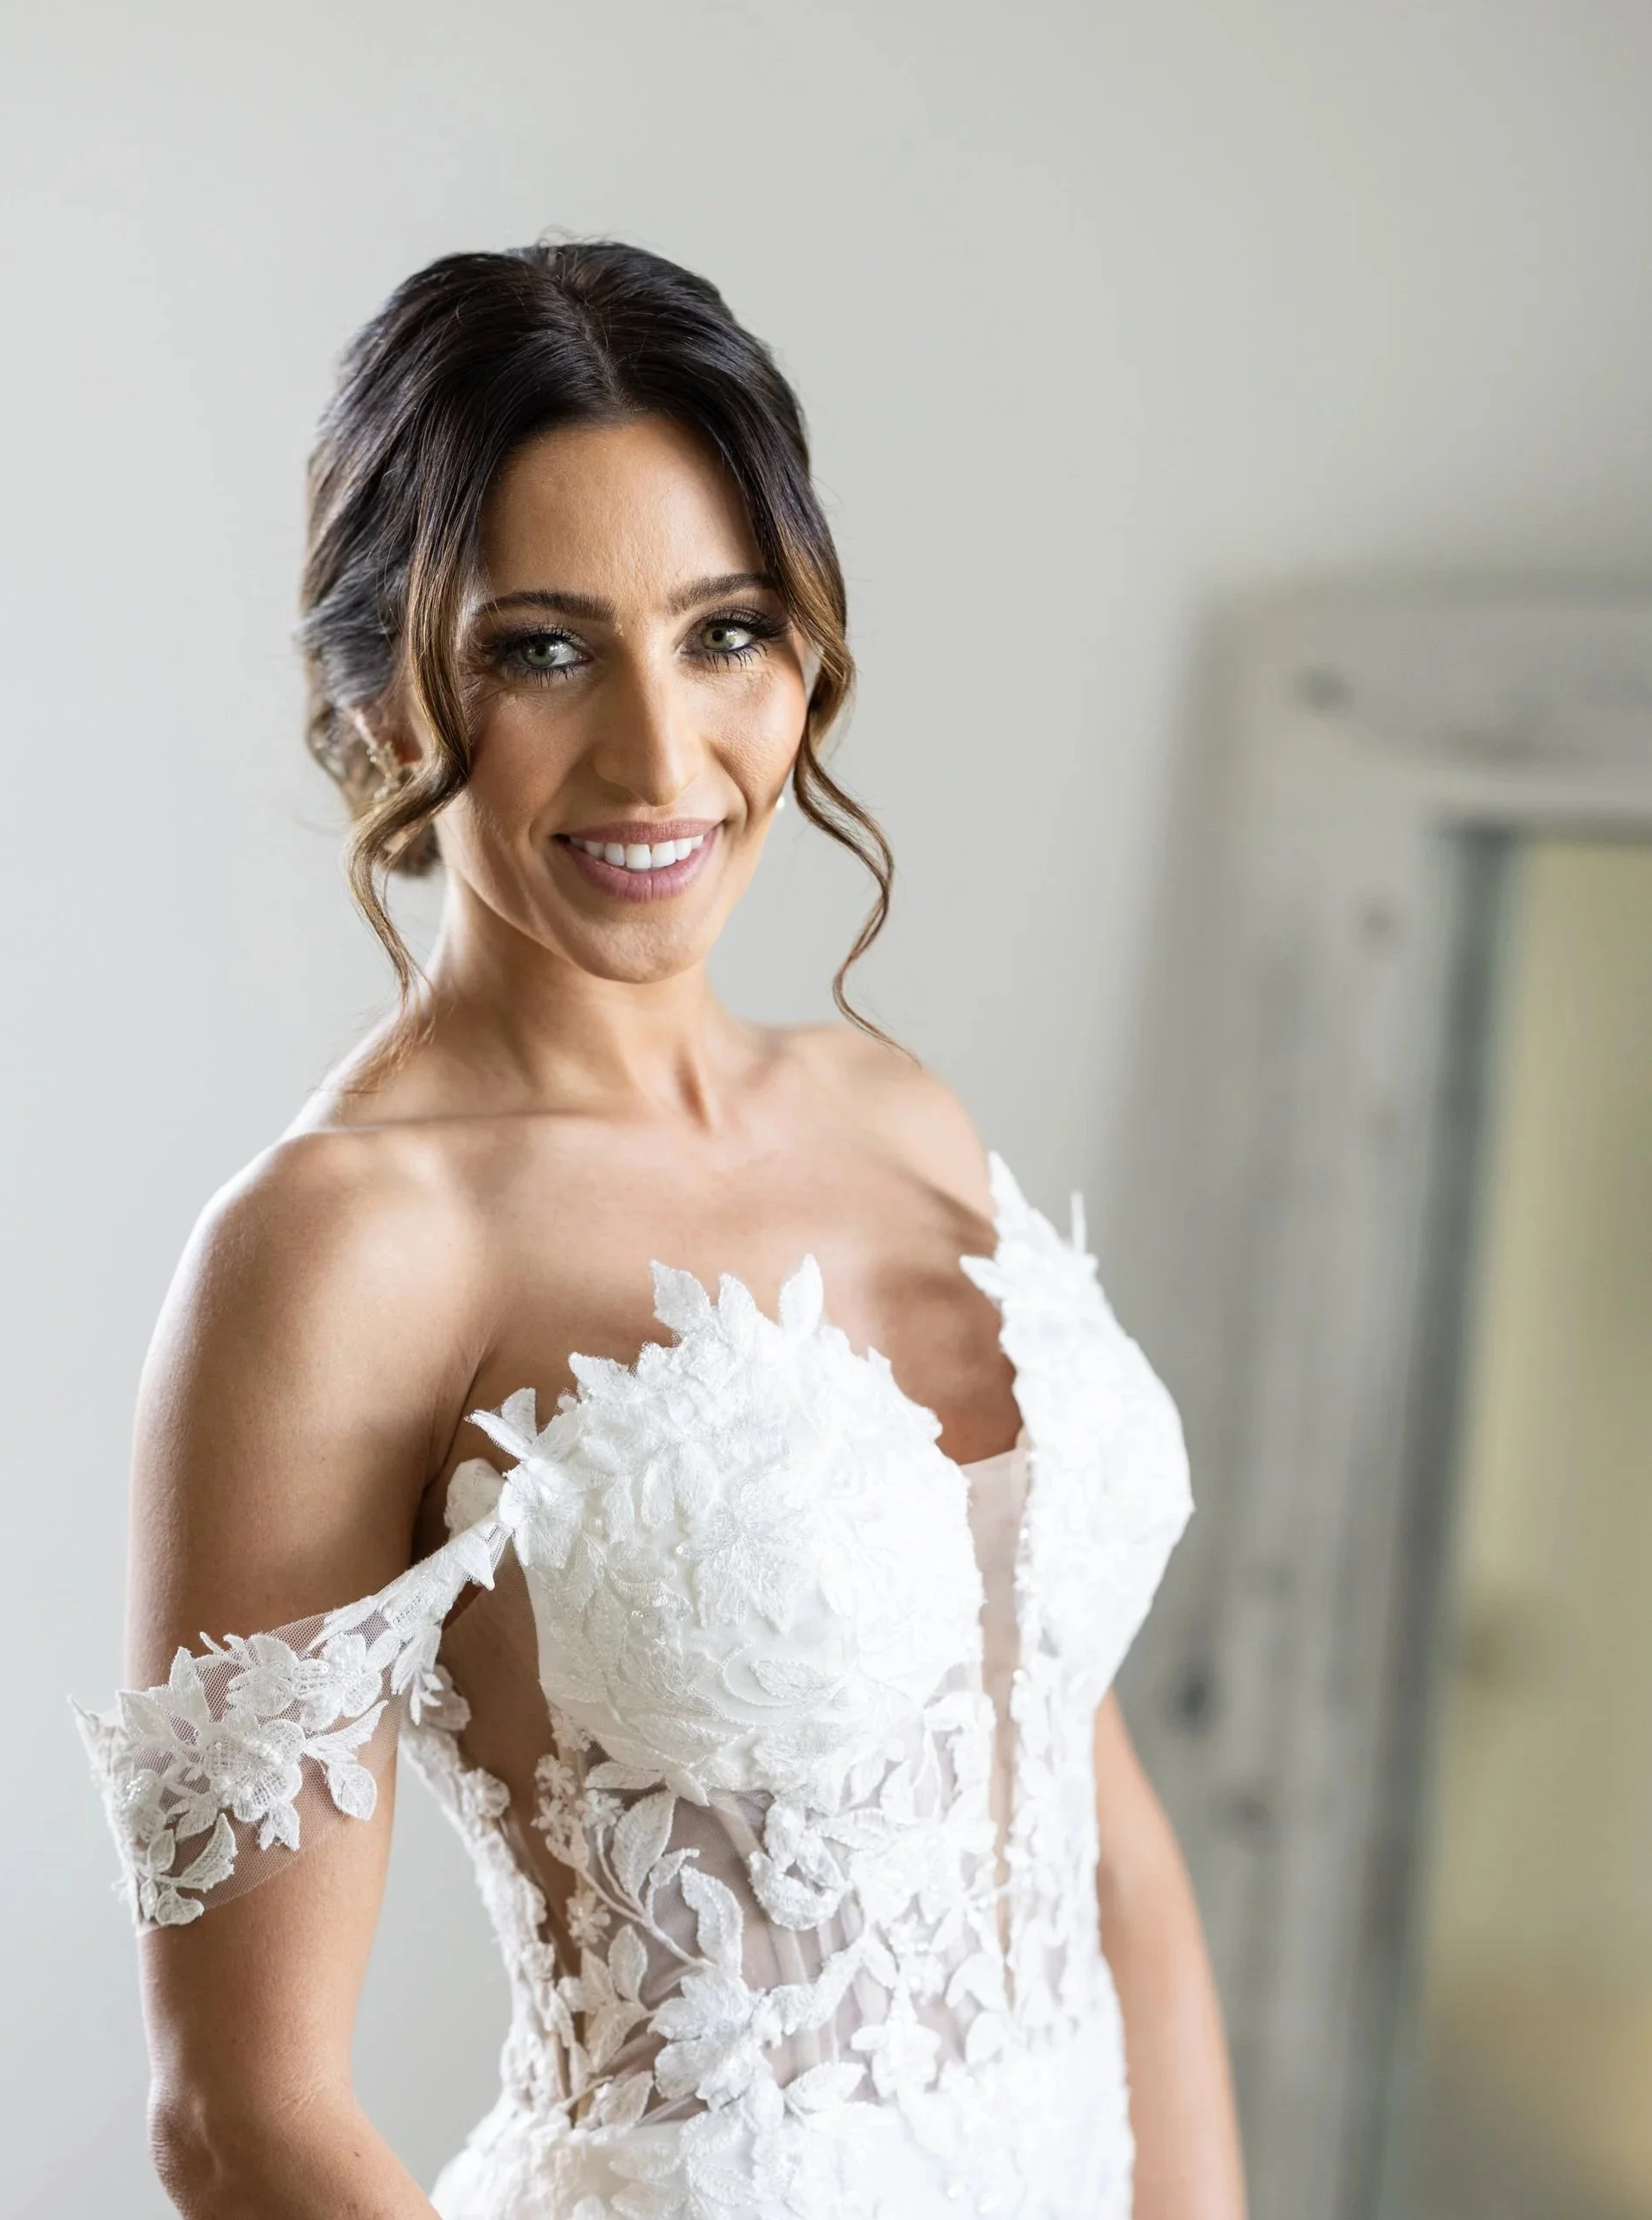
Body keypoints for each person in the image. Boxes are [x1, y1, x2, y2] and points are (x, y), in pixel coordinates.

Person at [74, 240, 1246, 2220]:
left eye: (722, 633)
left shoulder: (898, 1112)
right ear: (375, 696)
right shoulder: (341, 1246)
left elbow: (1093, 1827)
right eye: (541, 648)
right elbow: (239, 2117)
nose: (656, 754)